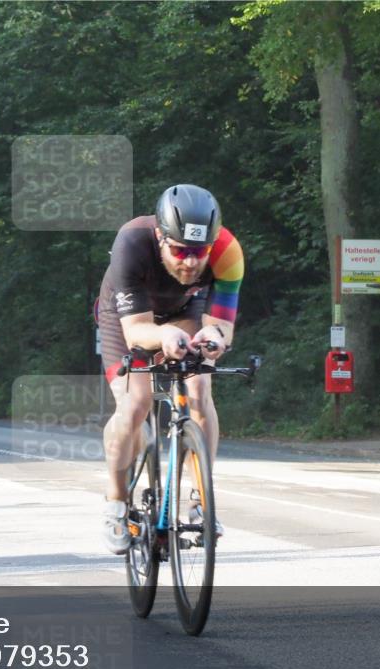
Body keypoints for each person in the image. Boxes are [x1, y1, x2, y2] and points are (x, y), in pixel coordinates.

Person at [97, 184, 244, 554]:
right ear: (161, 236)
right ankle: (116, 504)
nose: (191, 263)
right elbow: (136, 332)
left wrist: (215, 334)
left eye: (199, 253)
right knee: (135, 404)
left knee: (199, 389)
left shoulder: (228, 253)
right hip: (125, 316)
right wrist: (163, 335)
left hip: (185, 310)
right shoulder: (132, 243)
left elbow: (223, 326)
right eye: (180, 251)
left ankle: (201, 498)